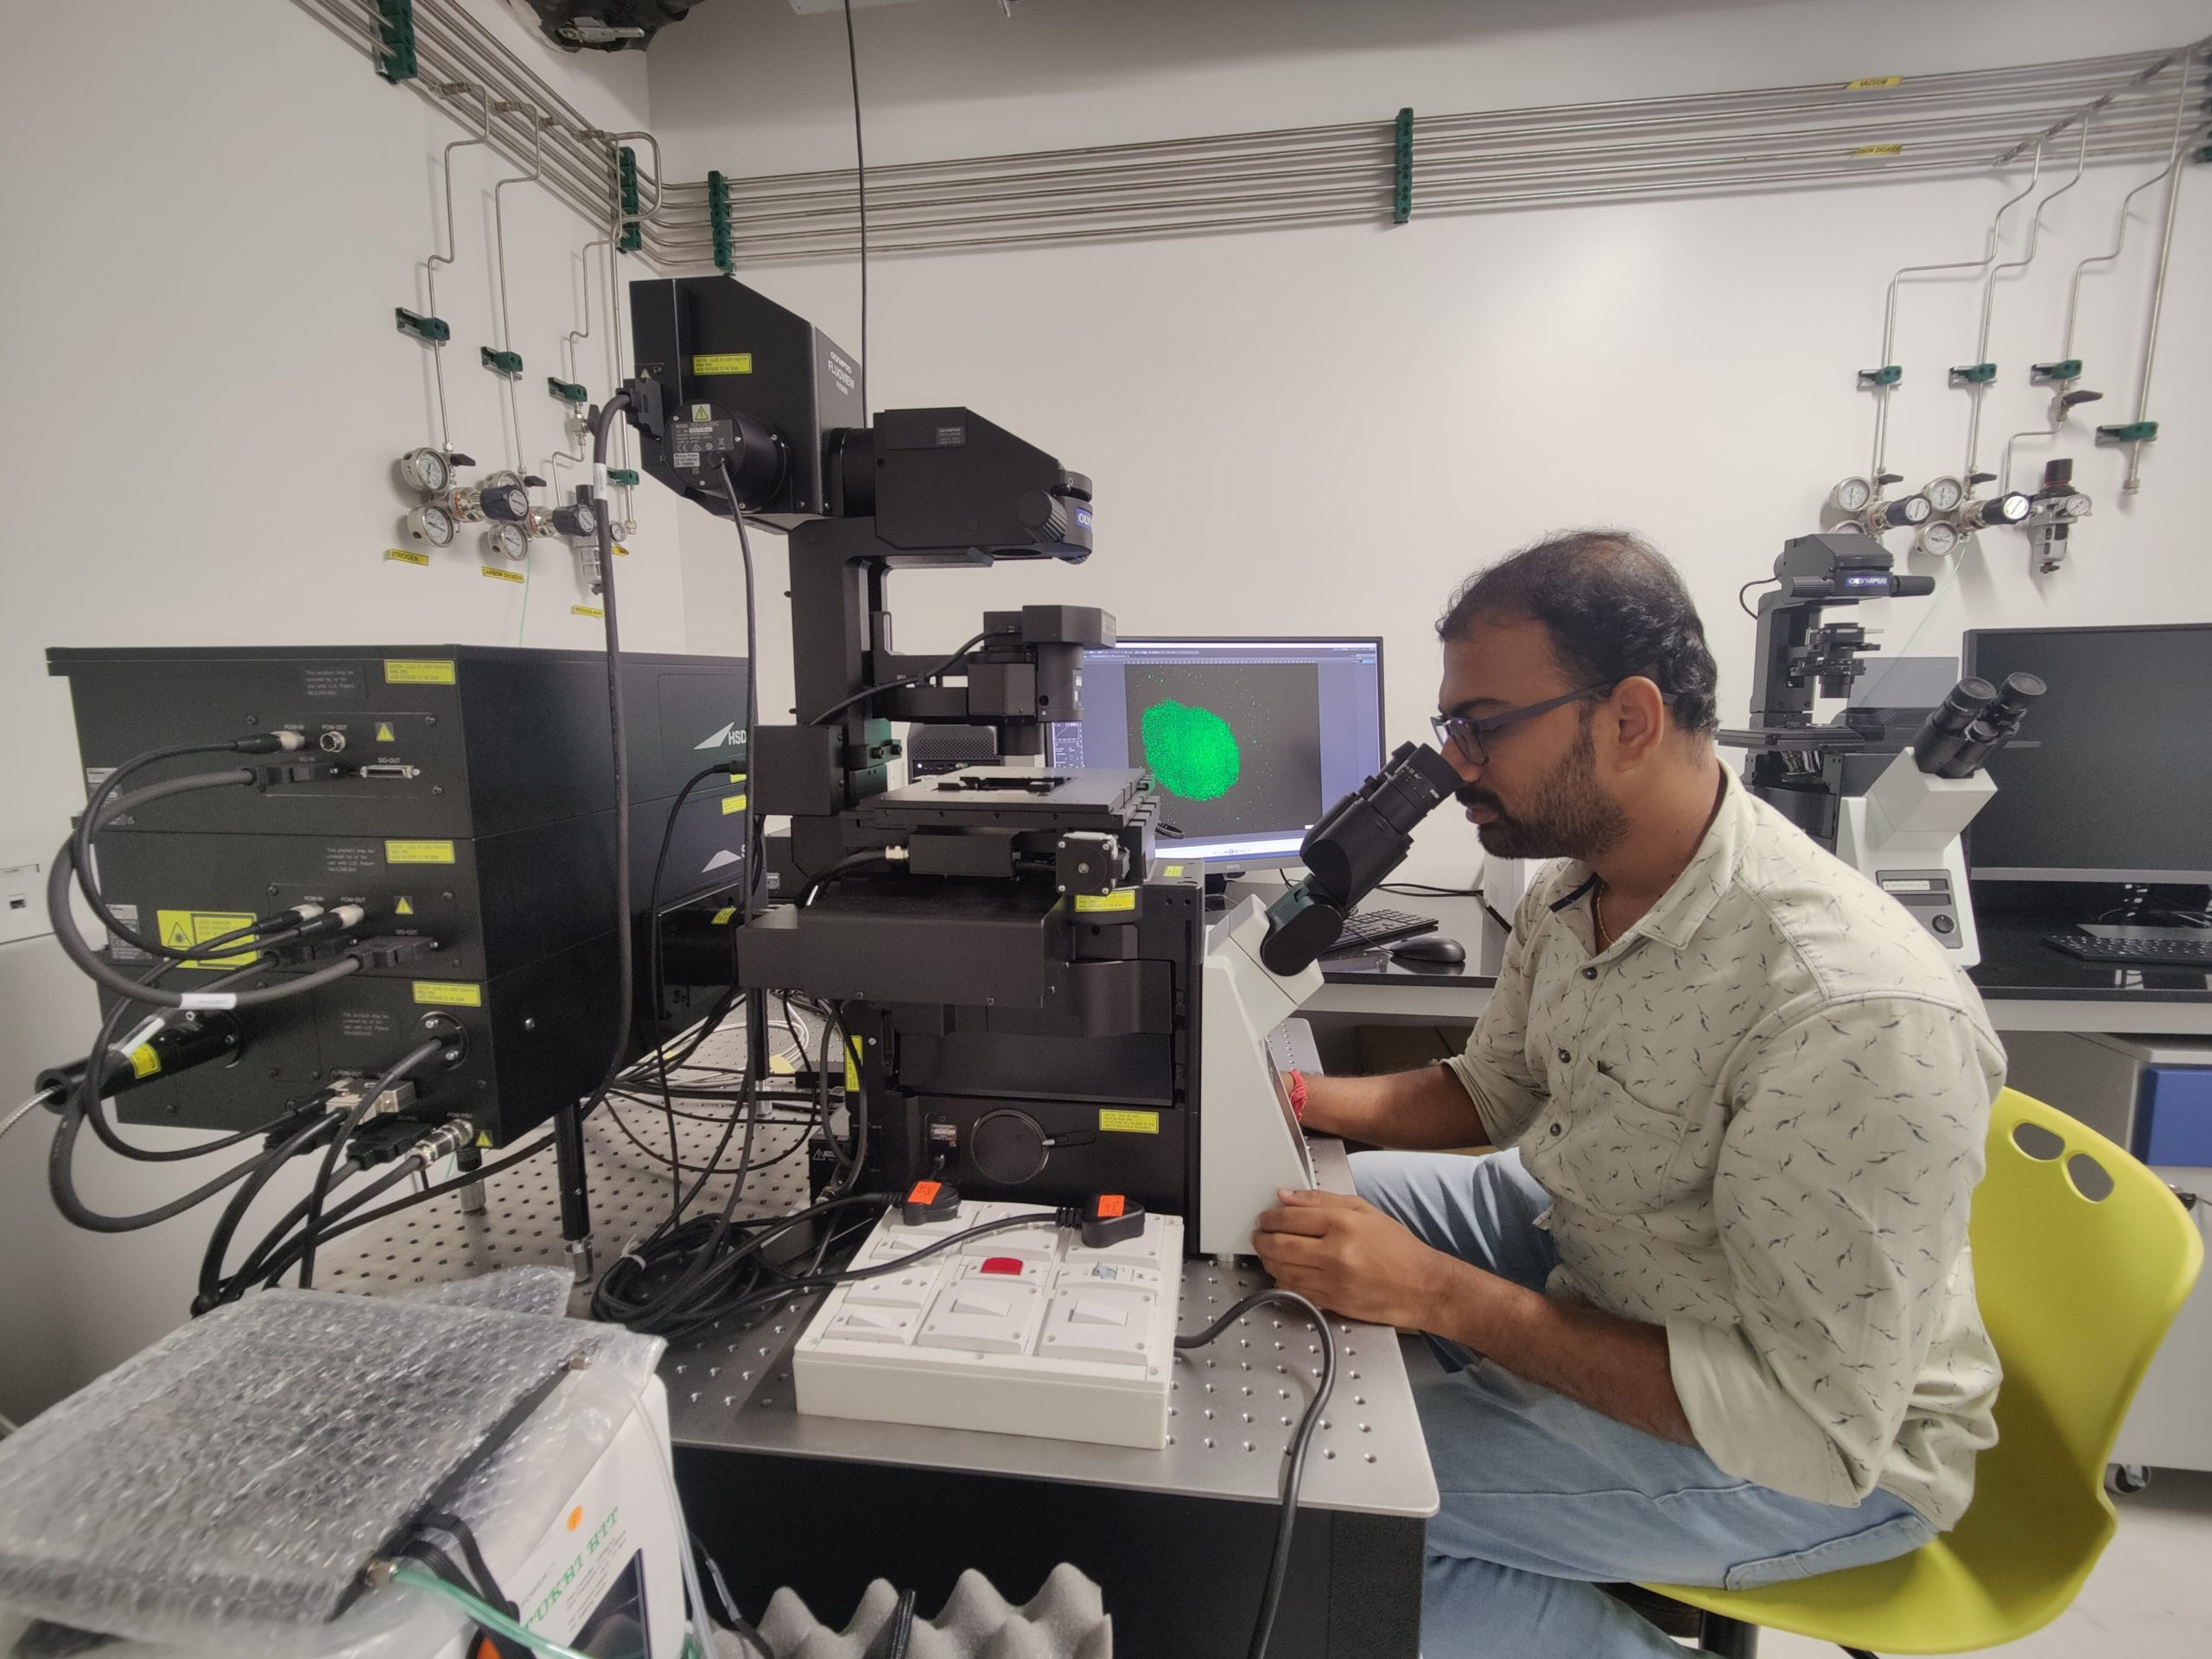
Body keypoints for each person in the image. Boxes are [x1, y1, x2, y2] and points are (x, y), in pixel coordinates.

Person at [1253, 530, 2005, 1658]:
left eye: (1482, 727)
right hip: (1611, 1250)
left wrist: (1442, 1296)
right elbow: (1494, 1090)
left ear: (1631, 720)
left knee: (1318, 1512)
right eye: (1450, 728)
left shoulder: (1849, 1011)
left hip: (1815, 1447)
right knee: (1282, 1196)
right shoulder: (1578, 890)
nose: (1455, 766)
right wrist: (1284, 1100)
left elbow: (1812, 1425)